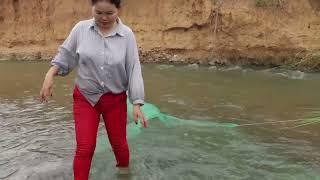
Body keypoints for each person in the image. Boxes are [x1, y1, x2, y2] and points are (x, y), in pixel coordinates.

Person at [39, 0, 147, 179]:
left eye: (109, 13)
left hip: (115, 100)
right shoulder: (81, 29)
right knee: (85, 148)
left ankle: (124, 174)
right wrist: (49, 75)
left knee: (119, 145)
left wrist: (136, 102)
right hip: (85, 98)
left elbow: (134, 68)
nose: (104, 18)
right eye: (99, 12)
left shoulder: (127, 35)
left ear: (119, 9)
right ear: (92, 8)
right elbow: (65, 54)